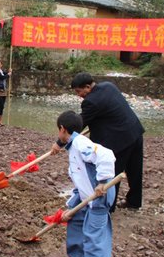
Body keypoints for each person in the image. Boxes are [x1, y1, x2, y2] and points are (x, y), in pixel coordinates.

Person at [52, 72, 144, 212]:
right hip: (135, 132)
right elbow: (107, 111)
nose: (79, 95)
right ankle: (134, 201)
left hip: (120, 141)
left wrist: (60, 143)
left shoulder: (91, 102)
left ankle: (108, 207)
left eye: (79, 91)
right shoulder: (108, 86)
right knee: (135, 170)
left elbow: (78, 124)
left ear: (88, 87)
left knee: (111, 174)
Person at [57, 110, 115, 257]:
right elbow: (81, 181)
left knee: (94, 238)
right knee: (75, 220)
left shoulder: (81, 143)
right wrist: (71, 206)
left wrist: (103, 181)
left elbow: (106, 155)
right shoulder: (73, 146)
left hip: (99, 197)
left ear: (62, 129)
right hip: (87, 195)